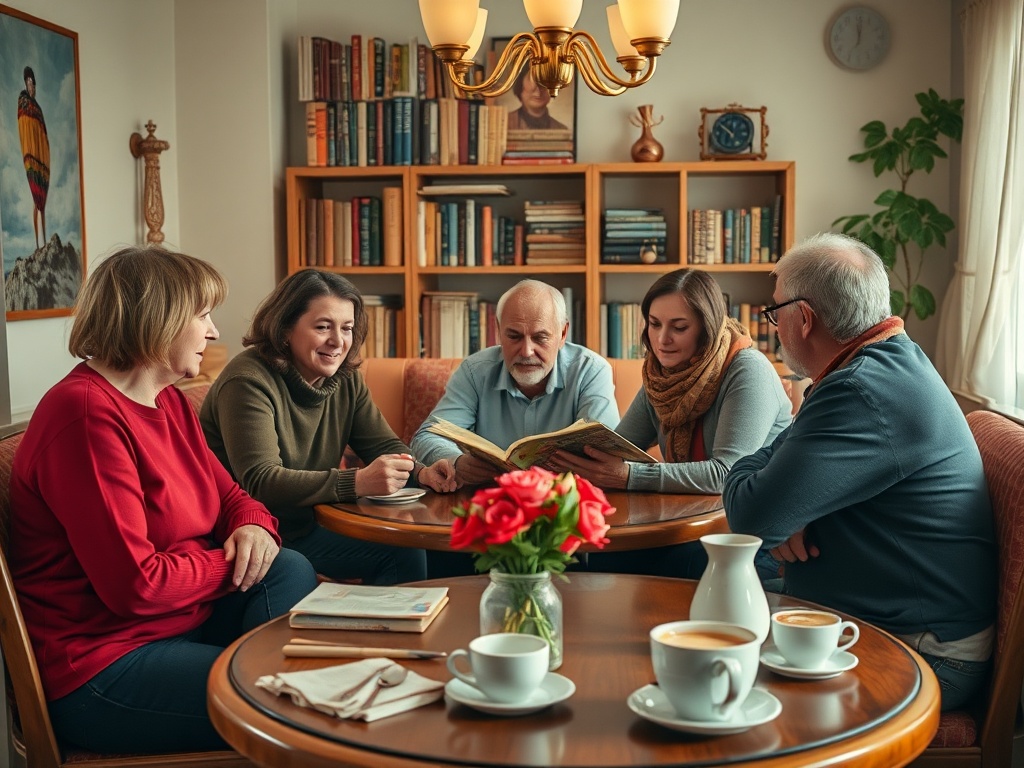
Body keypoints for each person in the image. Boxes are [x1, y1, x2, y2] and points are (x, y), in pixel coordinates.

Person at [9, 246, 318, 754]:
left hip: (183, 623)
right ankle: (278, 694)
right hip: (104, 667)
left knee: (288, 567)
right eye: (202, 315)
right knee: (291, 699)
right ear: (159, 318)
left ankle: (274, 686)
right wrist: (228, 559)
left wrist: (254, 529)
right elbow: (138, 586)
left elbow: (235, 497)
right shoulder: (86, 416)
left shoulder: (168, 400)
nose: (214, 331)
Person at [723, 232, 996, 711]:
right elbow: (774, 495)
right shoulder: (882, 364)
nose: (773, 326)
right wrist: (792, 501)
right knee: (707, 591)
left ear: (803, 319)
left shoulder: (860, 390)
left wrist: (773, 490)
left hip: (923, 653)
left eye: (774, 312)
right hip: (887, 618)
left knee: (711, 665)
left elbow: (751, 516)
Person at [201, 270, 456, 585]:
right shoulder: (248, 380)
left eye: (346, 328)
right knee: (402, 553)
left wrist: (422, 472)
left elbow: (384, 447)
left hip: (307, 525)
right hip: (252, 534)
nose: (338, 342)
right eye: (323, 327)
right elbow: (262, 481)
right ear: (284, 330)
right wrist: (358, 482)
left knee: (430, 548)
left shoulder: (344, 378)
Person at [558, 268, 791, 579]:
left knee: (631, 563)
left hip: (751, 532)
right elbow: (618, 447)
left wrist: (629, 475)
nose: (662, 340)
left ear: (706, 329)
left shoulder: (747, 370)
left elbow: (726, 474)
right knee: (603, 555)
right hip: (688, 524)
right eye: (654, 324)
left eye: (678, 327)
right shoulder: (660, 376)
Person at [410, 279, 618, 487]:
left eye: (540, 338)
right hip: (492, 504)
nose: (527, 351)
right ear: (499, 330)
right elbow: (427, 436)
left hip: (565, 502)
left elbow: (605, 453)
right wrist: (456, 461)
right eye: (514, 336)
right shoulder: (474, 372)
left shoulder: (590, 371)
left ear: (563, 334)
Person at [17, 65, 49, 249]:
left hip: (41, 159)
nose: (31, 88)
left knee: (41, 201)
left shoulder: (37, 107)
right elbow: (26, 129)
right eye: (29, 83)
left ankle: (42, 240)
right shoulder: (23, 102)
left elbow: (41, 133)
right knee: (35, 199)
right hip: (31, 158)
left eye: (33, 84)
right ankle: (38, 243)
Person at [506, 67, 569, 131]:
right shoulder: (503, 125)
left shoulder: (561, 130)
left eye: (545, 80)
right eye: (532, 79)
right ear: (520, 84)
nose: (538, 90)